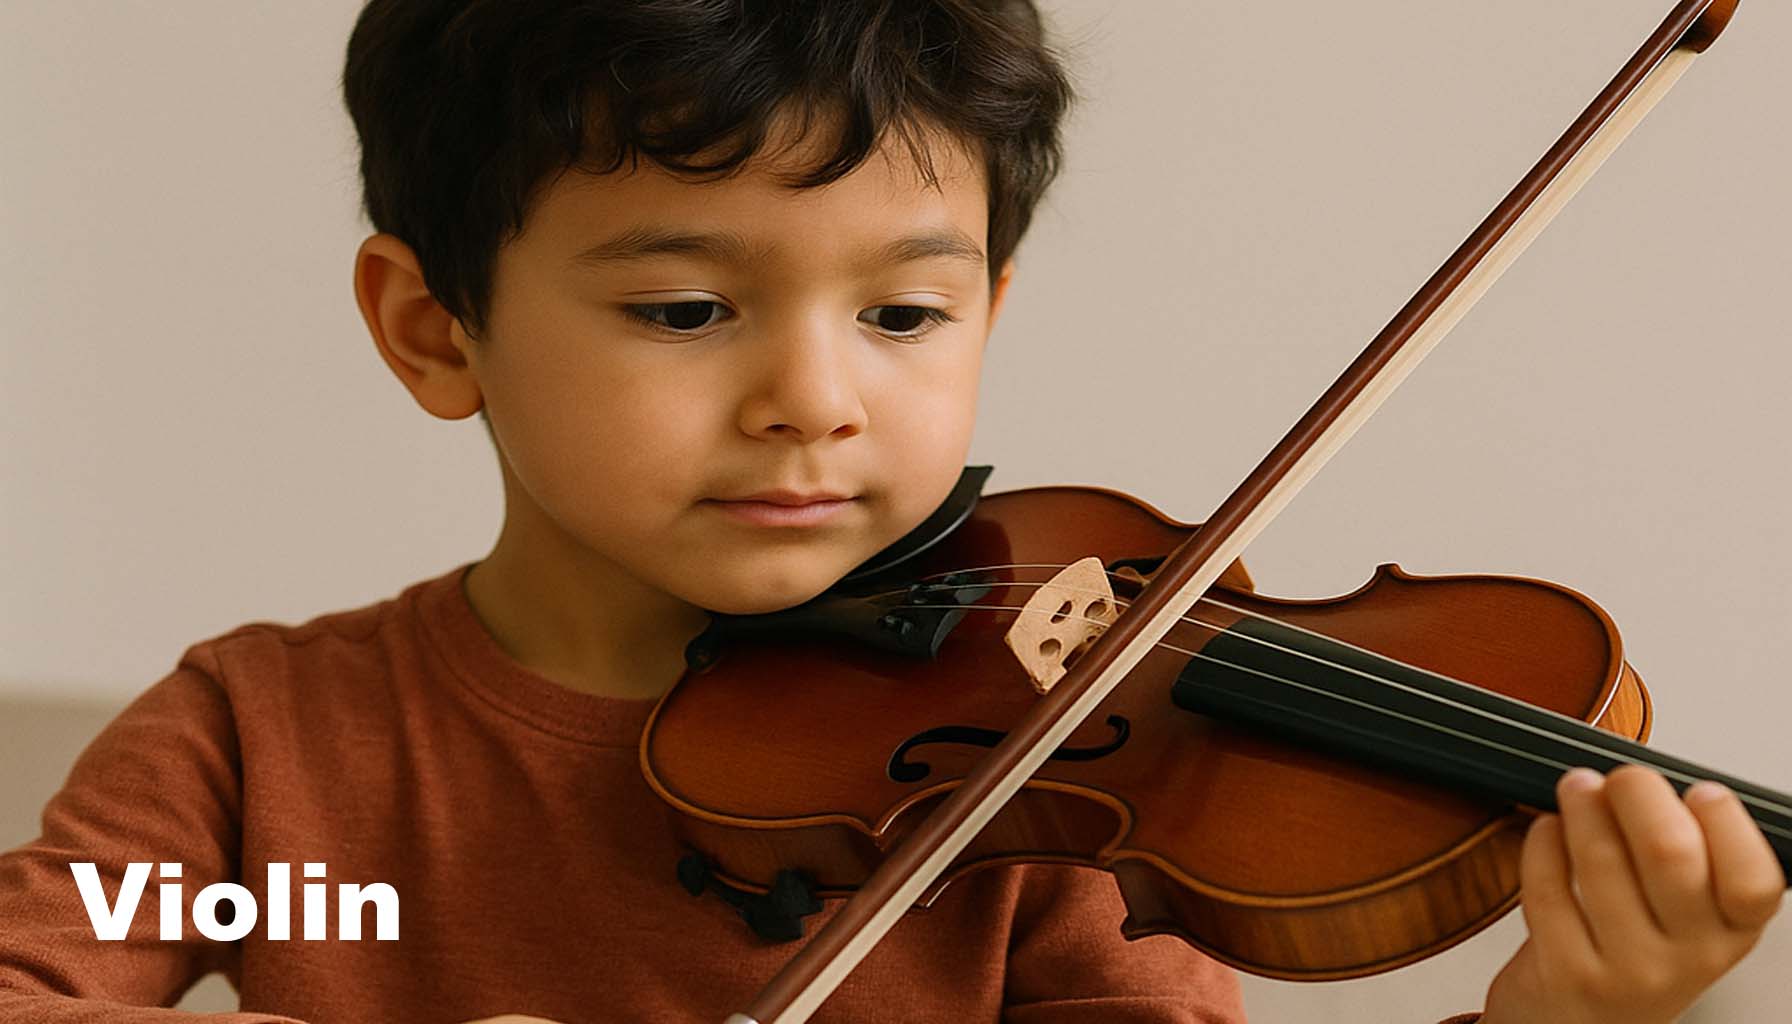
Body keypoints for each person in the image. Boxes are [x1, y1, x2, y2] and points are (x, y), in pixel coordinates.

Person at [0, 2, 1781, 1022]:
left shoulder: (1062, 794)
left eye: (905, 313)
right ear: (430, 324)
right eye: (688, 311)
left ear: (992, 313)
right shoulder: (272, 766)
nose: (818, 397)